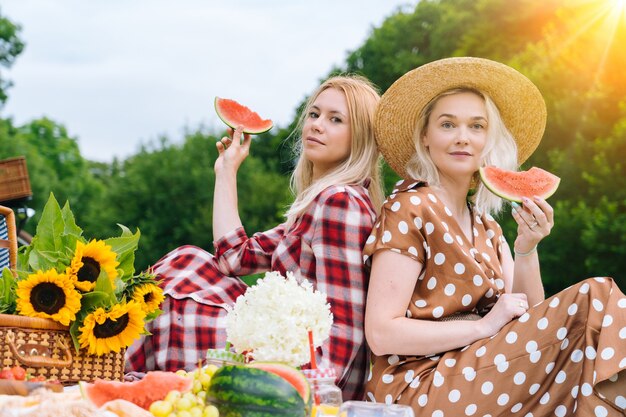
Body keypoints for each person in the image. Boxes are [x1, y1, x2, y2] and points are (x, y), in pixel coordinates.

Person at [363, 57, 626, 415]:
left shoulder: (488, 227)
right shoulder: (409, 208)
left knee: (593, 352)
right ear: (425, 137)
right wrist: (483, 326)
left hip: (480, 369)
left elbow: (532, 321)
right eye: (447, 124)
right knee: (596, 295)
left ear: (489, 139)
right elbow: (381, 333)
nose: (462, 138)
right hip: (419, 384)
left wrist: (526, 249)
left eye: (476, 126)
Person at [125, 75, 384, 400]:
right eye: (315, 114)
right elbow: (233, 257)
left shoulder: (340, 203)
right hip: (289, 359)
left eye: (335, 120)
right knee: (187, 260)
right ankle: (121, 372)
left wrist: (314, 398)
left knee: (177, 287)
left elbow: (345, 328)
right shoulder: (317, 204)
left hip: (307, 376)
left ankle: (115, 371)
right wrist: (226, 171)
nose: (317, 125)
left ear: (358, 138)